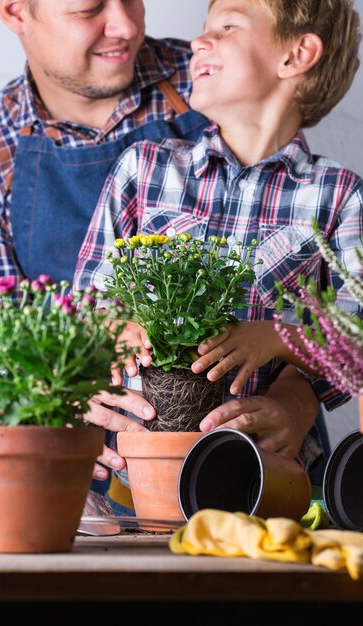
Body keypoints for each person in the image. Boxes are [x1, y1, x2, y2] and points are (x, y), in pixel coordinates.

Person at [0, 0, 321, 507]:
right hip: (98, 482)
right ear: (15, 11)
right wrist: (49, 402)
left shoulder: (209, 76)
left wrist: (298, 398)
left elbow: (310, 278)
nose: (125, 26)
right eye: (89, 9)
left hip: (261, 454)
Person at [74, 0, 363, 510]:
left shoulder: (341, 196)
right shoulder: (144, 169)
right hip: (138, 468)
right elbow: (88, 301)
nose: (197, 42)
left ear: (298, 54)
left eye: (226, 27)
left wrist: (281, 338)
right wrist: (112, 329)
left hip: (272, 472)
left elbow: (356, 333)